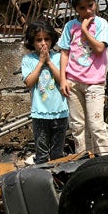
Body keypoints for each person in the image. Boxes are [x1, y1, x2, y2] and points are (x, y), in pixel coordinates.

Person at [58, 0, 108, 155]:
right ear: (76, 9)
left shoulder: (102, 24)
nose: (88, 11)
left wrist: (84, 30)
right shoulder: (69, 27)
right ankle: (83, 162)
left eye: (90, 5)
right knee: (77, 127)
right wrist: (62, 79)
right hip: (73, 82)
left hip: (94, 83)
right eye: (82, 8)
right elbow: (65, 53)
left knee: (97, 126)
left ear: (95, 3)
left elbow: (99, 48)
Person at [21, 20, 69, 163]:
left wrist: (49, 62)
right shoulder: (28, 59)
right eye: (38, 40)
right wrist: (41, 62)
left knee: (57, 153)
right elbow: (29, 83)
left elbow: (62, 80)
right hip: (40, 113)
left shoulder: (59, 57)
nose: (43, 43)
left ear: (52, 40)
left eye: (47, 39)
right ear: (32, 42)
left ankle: (56, 181)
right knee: (41, 154)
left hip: (60, 112)